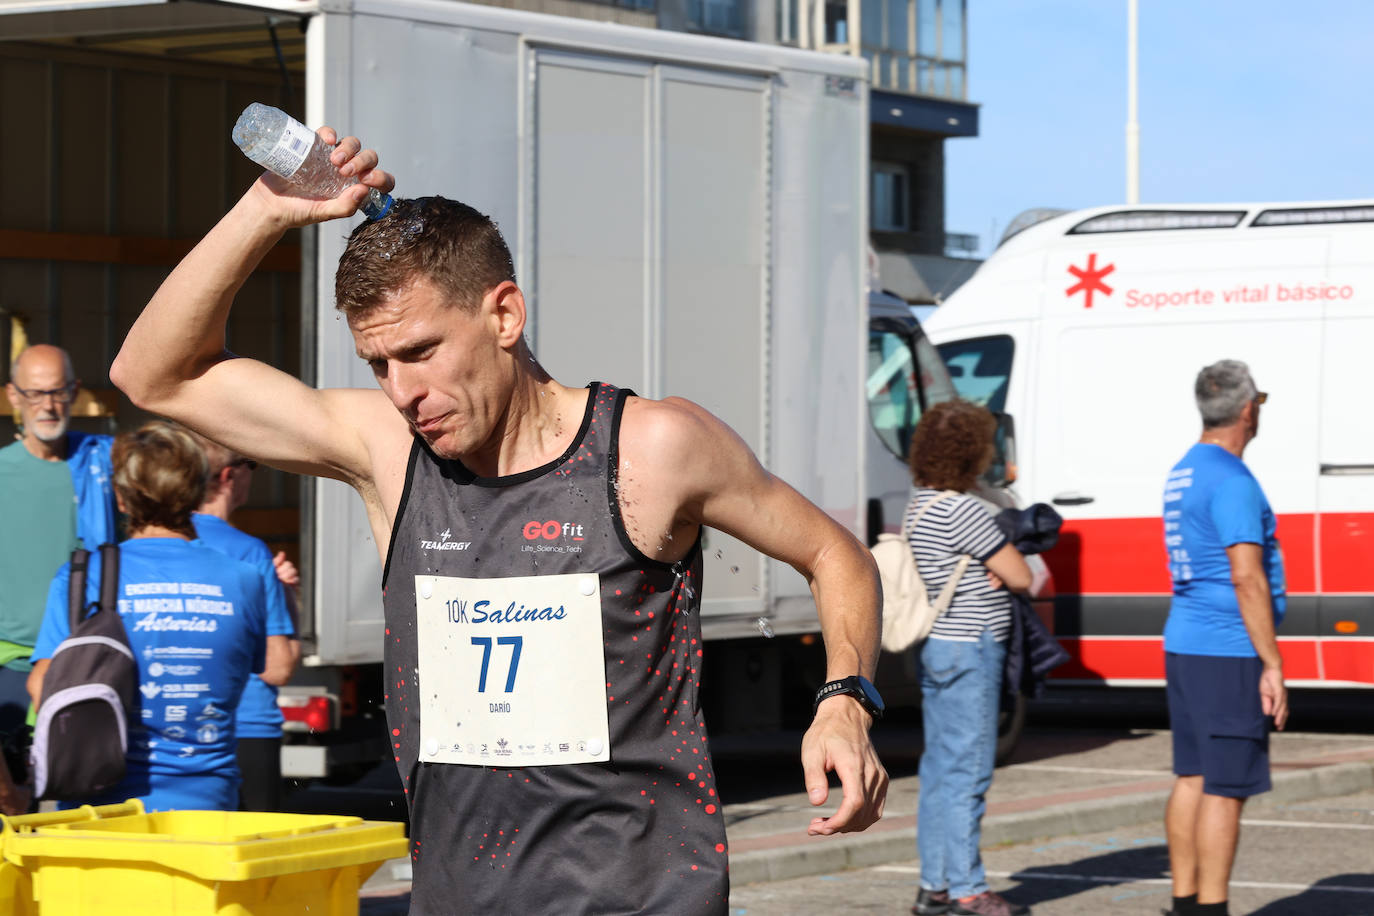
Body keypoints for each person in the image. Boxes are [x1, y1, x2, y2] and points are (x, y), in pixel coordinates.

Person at [109, 129, 888, 913]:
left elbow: (834, 554)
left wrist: (844, 698)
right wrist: (267, 208)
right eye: (378, 365)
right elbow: (153, 374)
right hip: (461, 895)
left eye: (420, 351)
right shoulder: (390, 452)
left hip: (644, 895)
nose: (402, 392)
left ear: (504, 315)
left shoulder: (651, 448)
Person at [28, 421, 270, 811]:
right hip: (208, 804)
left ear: (122, 498)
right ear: (195, 492)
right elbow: (252, 670)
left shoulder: (83, 576)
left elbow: (43, 689)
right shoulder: (245, 578)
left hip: (98, 806)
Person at [1160, 361, 1288, 916]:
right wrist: (1273, 663)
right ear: (1247, 410)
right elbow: (1246, 576)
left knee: (1191, 776)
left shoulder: (1186, 469)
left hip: (1186, 642)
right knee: (1225, 786)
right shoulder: (1233, 480)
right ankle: (1211, 909)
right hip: (1227, 649)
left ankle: (1186, 904)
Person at [904, 400, 1032, 916]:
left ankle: (934, 884)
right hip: (973, 646)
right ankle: (968, 890)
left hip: (938, 646)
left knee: (940, 769)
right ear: (972, 452)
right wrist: (1002, 565)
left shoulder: (921, 504)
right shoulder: (965, 510)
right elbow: (1023, 576)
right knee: (968, 773)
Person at [1, 345, 117, 742]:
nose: (47, 405)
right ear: (14, 395)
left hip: (90, 660)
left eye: (57, 391)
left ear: (74, 391)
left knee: (85, 790)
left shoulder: (108, 462)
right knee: (14, 798)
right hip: (12, 668)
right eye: (35, 393)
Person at [186, 428, 301, 811]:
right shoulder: (250, 555)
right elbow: (278, 667)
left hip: (176, 727)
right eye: (250, 464)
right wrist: (287, 597)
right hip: (246, 724)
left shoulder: (155, 544)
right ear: (227, 475)